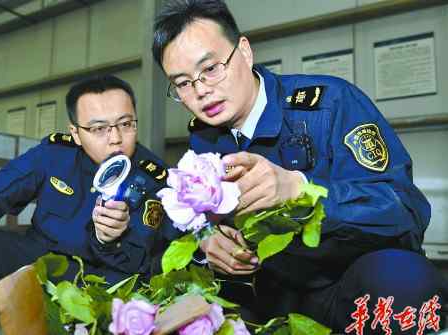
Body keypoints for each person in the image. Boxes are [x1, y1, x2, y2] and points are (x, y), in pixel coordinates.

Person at [153, 0, 447, 332]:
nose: (201, 90)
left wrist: (302, 191)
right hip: (269, 293)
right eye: (182, 83)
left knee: (402, 277)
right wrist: (208, 240)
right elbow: (188, 224)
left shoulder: (330, 105)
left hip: (343, 288)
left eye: (210, 68)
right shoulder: (204, 140)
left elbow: (406, 213)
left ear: (245, 52)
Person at [0, 75, 178, 331]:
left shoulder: (154, 178)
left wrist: (111, 240)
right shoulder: (54, 156)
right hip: (42, 261)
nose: (115, 138)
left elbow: (146, 263)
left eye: (126, 124)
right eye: (98, 128)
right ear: (76, 133)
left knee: (136, 298)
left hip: (102, 279)